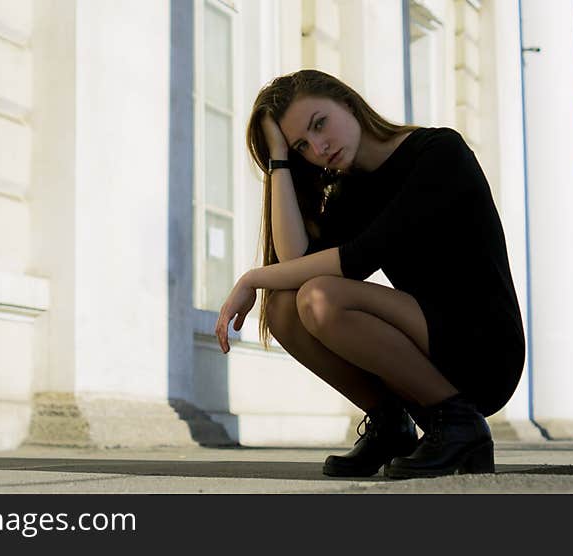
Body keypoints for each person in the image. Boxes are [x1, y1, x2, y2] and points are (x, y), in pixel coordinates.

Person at [214, 69, 525, 479]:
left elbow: (357, 259)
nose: (319, 147)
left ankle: (460, 427)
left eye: (319, 124)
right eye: (302, 145)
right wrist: (278, 159)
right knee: (286, 308)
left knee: (320, 298)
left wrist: (252, 278)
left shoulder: (439, 151)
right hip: (425, 345)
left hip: (484, 347)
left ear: (347, 101)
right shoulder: (352, 192)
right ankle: (390, 424)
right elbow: (295, 265)